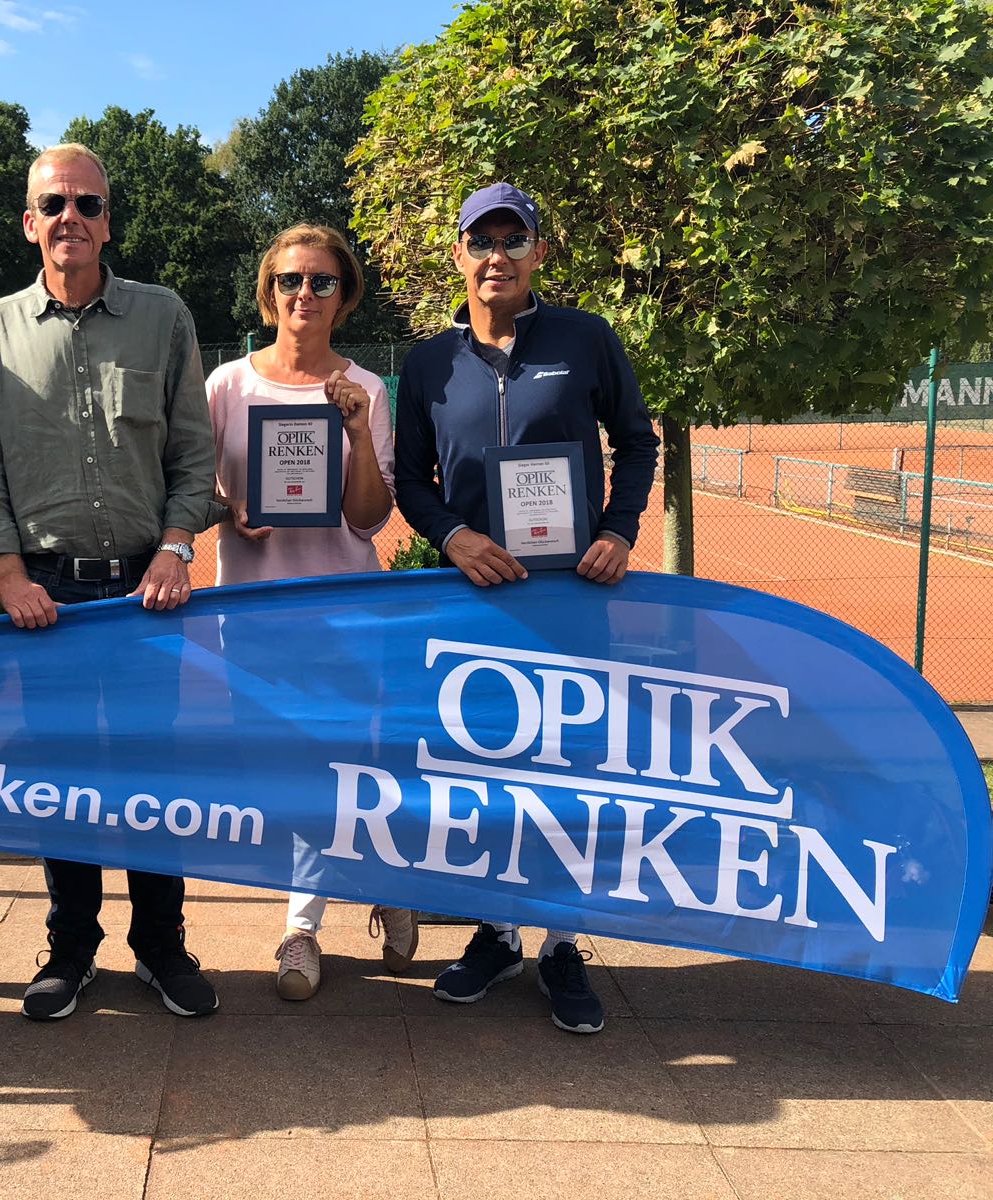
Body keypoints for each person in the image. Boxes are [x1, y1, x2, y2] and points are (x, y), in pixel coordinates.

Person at [393, 182, 660, 1034]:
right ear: (459, 255)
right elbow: (410, 479)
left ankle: (562, 945)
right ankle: (497, 931)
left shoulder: (584, 339)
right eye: (481, 240)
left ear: (539, 251)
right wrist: (452, 537)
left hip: (576, 599)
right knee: (486, 773)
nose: (496, 255)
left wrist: (619, 529)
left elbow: (640, 439)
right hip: (478, 599)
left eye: (514, 239)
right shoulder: (428, 362)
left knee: (570, 777)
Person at [0, 142, 220, 1021]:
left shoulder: (164, 316)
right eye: (53, 204)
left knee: (157, 770)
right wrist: (5, 572)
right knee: (59, 772)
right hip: (45, 600)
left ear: (109, 221)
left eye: (87, 204)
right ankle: (71, 947)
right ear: (29, 222)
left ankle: (161, 944)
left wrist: (177, 544)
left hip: (149, 593)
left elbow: (194, 453)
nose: (70, 217)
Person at [205, 223, 416, 1000]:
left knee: (333, 768)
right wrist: (232, 507)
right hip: (252, 617)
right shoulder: (227, 386)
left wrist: (357, 429)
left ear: (344, 297)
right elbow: (198, 489)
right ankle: (386, 882)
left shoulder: (367, 388)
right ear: (269, 294)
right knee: (278, 773)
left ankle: (300, 929)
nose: (305, 295)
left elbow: (367, 520)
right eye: (291, 281)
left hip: (342, 615)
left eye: (322, 282)